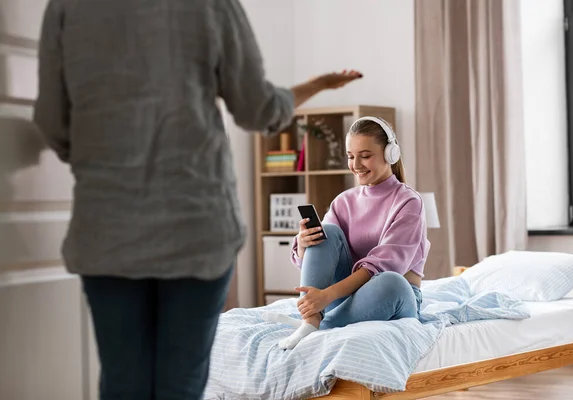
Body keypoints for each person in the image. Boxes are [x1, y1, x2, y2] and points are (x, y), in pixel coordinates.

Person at [33, 0, 361, 398]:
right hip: (196, 227)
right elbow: (260, 110)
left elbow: (52, 123)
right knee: (181, 382)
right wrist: (318, 84)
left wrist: (106, 162)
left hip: (108, 228)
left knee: (123, 378)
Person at [264, 117, 430, 350]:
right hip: (341, 299)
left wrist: (326, 296)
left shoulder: (408, 202)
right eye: (351, 156)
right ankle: (310, 321)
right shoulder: (344, 201)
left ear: (390, 154)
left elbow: (382, 265)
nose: (356, 164)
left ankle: (322, 324)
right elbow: (320, 260)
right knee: (327, 231)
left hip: (387, 296)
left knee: (392, 282)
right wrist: (303, 244)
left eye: (365, 155)